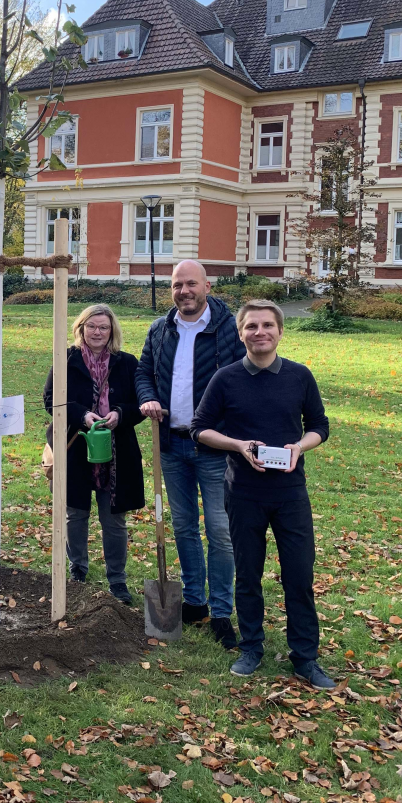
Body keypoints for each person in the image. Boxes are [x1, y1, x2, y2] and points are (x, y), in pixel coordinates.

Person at [191, 301, 334, 689]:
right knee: (248, 575)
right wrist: (238, 445)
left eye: (267, 325)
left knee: (299, 577)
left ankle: (305, 657)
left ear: (280, 331)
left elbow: (320, 425)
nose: (260, 332)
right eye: (251, 326)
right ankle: (250, 646)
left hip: (290, 493)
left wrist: (299, 448)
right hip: (243, 494)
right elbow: (200, 429)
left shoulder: (300, 376)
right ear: (241, 334)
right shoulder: (226, 378)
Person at [135, 260, 243, 648]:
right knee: (183, 527)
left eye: (191, 284)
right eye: (178, 285)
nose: (184, 291)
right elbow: (143, 372)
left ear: (208, 286)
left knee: (219, 530)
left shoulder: (230, 329)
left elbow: (245, 377)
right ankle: (194, 602)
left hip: (214, 446)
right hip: (172, 445)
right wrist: (148, 399)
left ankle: (221, 611)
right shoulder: (161, 329)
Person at [42, 304, 145, 602]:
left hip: (117, 451)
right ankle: (78, 570)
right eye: (92, 326)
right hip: (75, 446)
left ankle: (117, 579)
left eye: (103, 327)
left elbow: (139, 403)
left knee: (113, 518)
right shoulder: (66, 358)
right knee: (75, 513)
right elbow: (50, 400)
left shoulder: (126, 363)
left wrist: (118, 415)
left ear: (112, 330)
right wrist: (82, 415)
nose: (97, 332)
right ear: (81, 328)